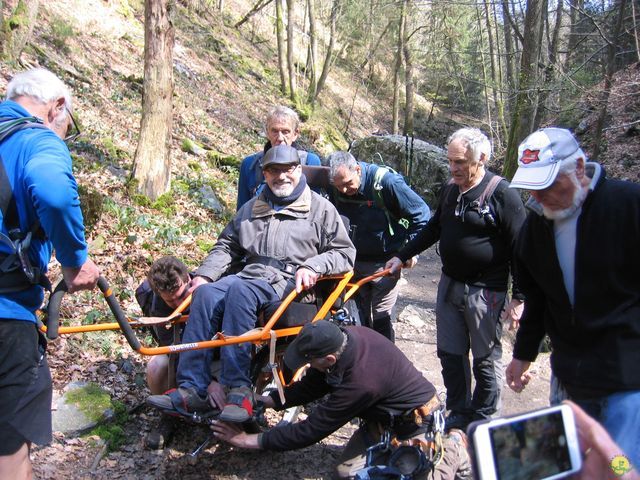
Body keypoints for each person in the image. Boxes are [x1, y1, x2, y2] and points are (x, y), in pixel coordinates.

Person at [148, 144, 355, 424]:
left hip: (288, 284)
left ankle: (238, 389)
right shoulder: (252, 208)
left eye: (287, 170)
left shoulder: (320, 209)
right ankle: (190, 388)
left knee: (240, 290)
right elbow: (227, 245)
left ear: (298, 170)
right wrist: (206, 275)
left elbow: (345, 253)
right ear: (264, 174)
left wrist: (314, 266)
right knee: (206, 294)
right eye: (273, 171)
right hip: (249, 274)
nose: (281, 177)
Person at [504, 127, 640, 468]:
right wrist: (523, 354)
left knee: (620, 466)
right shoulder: (534, 232)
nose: (540, 197)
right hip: (569, 378)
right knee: (563, 467)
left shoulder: (628, 206)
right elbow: (537, 298)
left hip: (628, 380)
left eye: (549, 185)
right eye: (533, 189)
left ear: (579, 167)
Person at [385, 128, 526, 432]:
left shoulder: (503, 195)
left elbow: (522, 250)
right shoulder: (451, 190)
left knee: (485, 358)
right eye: (451, 161)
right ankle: (459, 413)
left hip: (486, 290)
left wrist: (520, 299)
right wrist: (402, 254)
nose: (453, 168)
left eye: (461, 162)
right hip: (450, 285)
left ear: (482, 159)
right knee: (450, 352)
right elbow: (434, 227)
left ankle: (485, 418)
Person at [211, 320, 473, 480]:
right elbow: (313, 385)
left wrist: (247, 440)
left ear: (329, 360)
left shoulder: (363, 381)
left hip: (418, 424)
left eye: (310, 362)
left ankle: (454, 446)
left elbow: (312, 429)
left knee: (414, 473)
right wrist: (268, 401)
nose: (308, 366)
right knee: (344, 475)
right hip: (382, 423)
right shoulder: (342, 338)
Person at [0, 68, 100, 479]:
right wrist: (75, 260)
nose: (65, 134)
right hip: (7, 312)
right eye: (68, 127)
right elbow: (54, 194)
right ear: (57, 107)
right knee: (9, 439)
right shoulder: (37, 139)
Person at [328, 151, 431, 341]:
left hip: (385, 264)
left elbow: (422, 214)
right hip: (349, 262)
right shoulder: (333, 185)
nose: (343, 190)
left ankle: (387, 363)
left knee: (381, 317)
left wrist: (409, 253)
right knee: (353, 318)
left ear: (358, 170)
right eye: (338, 186)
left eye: (348, 183)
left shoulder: (387, 183)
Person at [134, 256, 192, 449]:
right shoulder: (157, 305)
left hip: (213, 352)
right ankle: (169, 415)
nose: (177, 304)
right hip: (181, 351)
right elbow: (170, 346)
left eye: (181, 296)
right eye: (170, 300)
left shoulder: (205, 288)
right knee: (157, 365)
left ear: (188, 280)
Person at [236, 105, 322, 209]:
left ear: (295, 134)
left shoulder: (310, 161)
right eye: (275, 131)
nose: (280, 138)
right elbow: (241, 211)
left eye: (285, 132)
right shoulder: (250, 165)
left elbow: (316, 208)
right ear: (267, 133)